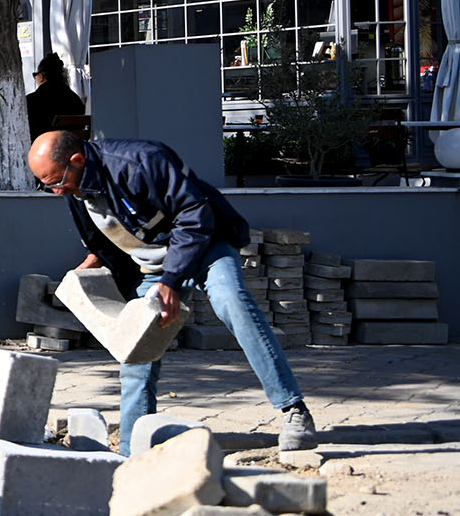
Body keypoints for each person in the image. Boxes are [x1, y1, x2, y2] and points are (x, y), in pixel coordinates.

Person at [28, 128, 318, 453]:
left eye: (55, 181)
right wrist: (91, 266)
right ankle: (132, 450)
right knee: (136, 352)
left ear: (77, 160)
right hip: (153, 270)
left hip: (205, 246)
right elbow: (102, 239)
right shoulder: (76, 189)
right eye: (46, 184)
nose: (54, 191)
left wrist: (172, 281)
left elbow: (194, 215)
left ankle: (294, 410)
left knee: (232, 303)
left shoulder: (140, 162)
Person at [26, 52, 87, 138]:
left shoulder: (31, 101)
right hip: (73, 147)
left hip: (43, 148)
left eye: (35, 76)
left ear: (41, 76)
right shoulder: (75, 100)